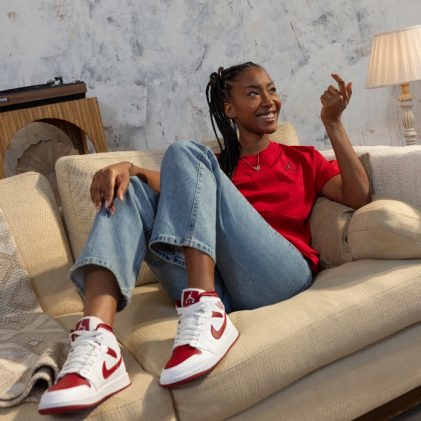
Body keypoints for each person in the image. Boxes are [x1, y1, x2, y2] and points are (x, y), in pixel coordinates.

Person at [38, 62, 370, 415]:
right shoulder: (210, 168)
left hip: (280, 275)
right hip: (224, 287)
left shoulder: (300, 158)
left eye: (271, 90)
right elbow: (162, 182)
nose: (268, 100)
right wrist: (127, 169)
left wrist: (333, 122)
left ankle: (202, 306)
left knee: (184, 153)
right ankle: (98, 342)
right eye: (253, 93)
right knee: (129, 189)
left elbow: (358, 196)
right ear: (230, 109)